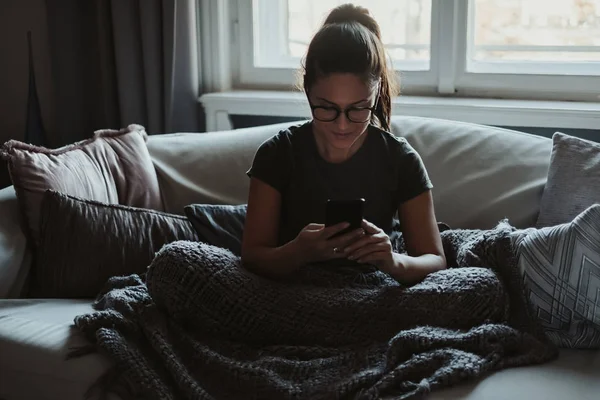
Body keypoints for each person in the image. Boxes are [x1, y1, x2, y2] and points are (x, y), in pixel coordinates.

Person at [241, 3, 446, 284]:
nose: (342, 125)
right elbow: (252, 257)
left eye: (358, 109)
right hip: (293, 294)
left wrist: (392, 260)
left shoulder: (400, 159)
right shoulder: (277, 154)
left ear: (376, 94)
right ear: (308, 91)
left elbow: (435, 261)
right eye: (326, 108)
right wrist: (298, 252)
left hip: (373, 292)